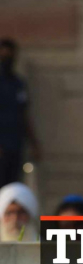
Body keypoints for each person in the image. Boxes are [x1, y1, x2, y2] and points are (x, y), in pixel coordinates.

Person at [0, 38, 41, 188]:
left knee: (14, 186)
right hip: (2, 144)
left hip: (16, 144)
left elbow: (24, 114)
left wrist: (34, 143)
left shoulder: (18, 83)